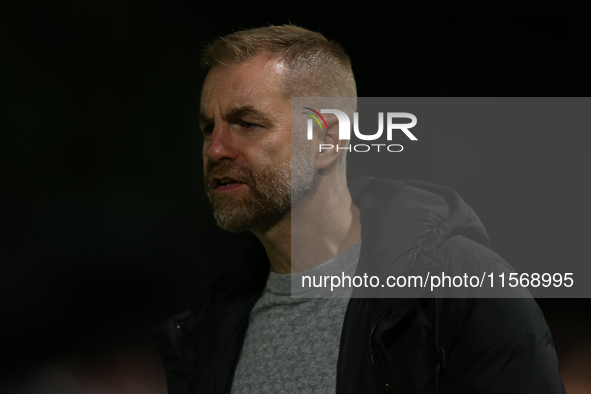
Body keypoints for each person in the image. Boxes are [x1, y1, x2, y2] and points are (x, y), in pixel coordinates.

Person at [152, 25, 566, 393]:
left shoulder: (462, 287)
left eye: (247, 123)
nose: (217, 148)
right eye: (209, 127)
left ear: (327, 141)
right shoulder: (210, 325)